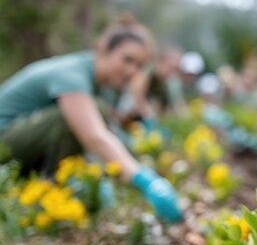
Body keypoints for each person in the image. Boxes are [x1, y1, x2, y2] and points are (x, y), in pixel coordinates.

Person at [0, 14, 182, 221]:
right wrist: (145, 179)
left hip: (18, 146)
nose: (132, 71)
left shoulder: (101, 87)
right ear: (104, 48)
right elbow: (94, 136)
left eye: (139, 66)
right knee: (67, 119)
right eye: (127, 59)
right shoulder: (73, 74)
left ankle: (46, 192)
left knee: (98, 111)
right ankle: (49, 197)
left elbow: (110, 132)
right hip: (4, 144)